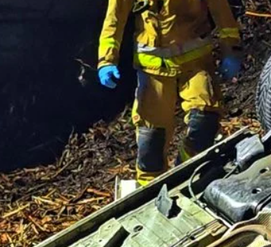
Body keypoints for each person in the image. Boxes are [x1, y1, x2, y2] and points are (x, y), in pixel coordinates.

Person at [96, 0, 243, 185]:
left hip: (196, 64)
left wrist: (231, 48)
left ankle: (187, 172)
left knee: (204, 120)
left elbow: (220, 9)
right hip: (153, 71)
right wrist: (106, 60)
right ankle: (149, 189)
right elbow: (114, 20)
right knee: (151, 139)